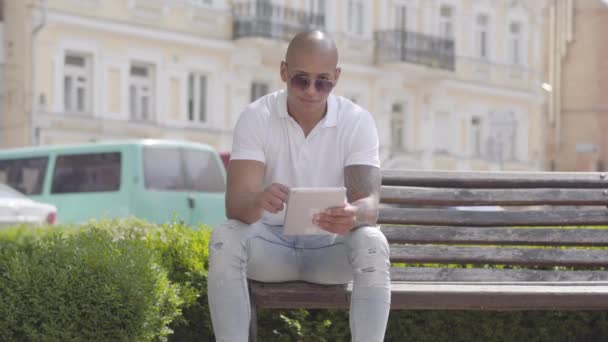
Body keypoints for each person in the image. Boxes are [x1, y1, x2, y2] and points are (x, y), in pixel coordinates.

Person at [207, 30, 391, 342]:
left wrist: (353, 214)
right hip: (270, 251)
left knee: (372, 240)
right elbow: (236, 205)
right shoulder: (257, 116)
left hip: (329, 253)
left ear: (336, 77)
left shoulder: (356, 121)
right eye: (300, 79)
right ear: (283, 72)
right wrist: (259, 200)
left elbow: (370, 204)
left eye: (323, 81)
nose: (311, 90)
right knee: (225, 236)